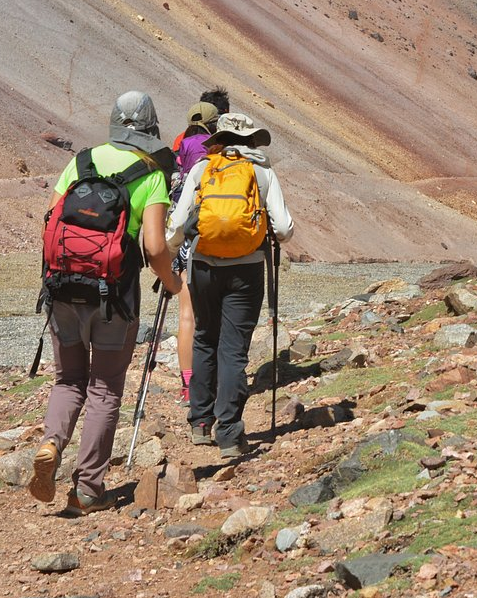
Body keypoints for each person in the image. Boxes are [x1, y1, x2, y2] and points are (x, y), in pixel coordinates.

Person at [28, 91, 183, 515]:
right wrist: (172, 282)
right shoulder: (150, 173)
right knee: (104, 387)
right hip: (113, 298)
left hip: (62, 291)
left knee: (67, 380)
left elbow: (49, 222)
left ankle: (51, 443)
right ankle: (88, 490)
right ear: (150, 129)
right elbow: (154, 247)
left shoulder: (80, 162)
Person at [166, 112, 294, 458]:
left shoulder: (202, 168)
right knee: (234, 349)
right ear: (252, 140)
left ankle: (200, 422)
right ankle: (229, 433)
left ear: (219, 139)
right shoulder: (263, 172)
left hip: (203, 267)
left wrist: (171, 254)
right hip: (247, 270)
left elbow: (176, 226)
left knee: (205, 338)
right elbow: (283, 229)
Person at [170, 101, 220, 404]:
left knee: (187, 315)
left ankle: (189, 383)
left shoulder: (180, 148)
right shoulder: (221, 150)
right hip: (219, 240)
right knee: (217, 315)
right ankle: (217, 379)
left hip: (187, 240)